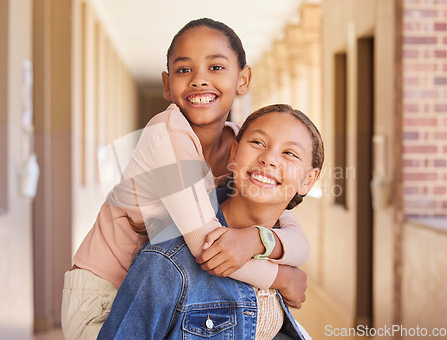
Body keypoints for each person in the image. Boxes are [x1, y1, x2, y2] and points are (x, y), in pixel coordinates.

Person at [61, 19, 309, 340]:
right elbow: (206, 248)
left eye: (216, 67)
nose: (199, 81)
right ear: (167, 84)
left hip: (164, 292)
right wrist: (282, 277)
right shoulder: (165, 134)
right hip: (107, 296)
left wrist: (261, 239)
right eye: (183, 70)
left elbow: (294, 234)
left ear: (243, 79)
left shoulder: (241, 147)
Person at [98, 104, 324, 340]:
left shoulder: (281, 246)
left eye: (290, 153)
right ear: (234, 153)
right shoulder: (167, 263)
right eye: (258, 142)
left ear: (308, 180)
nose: (268, 159)